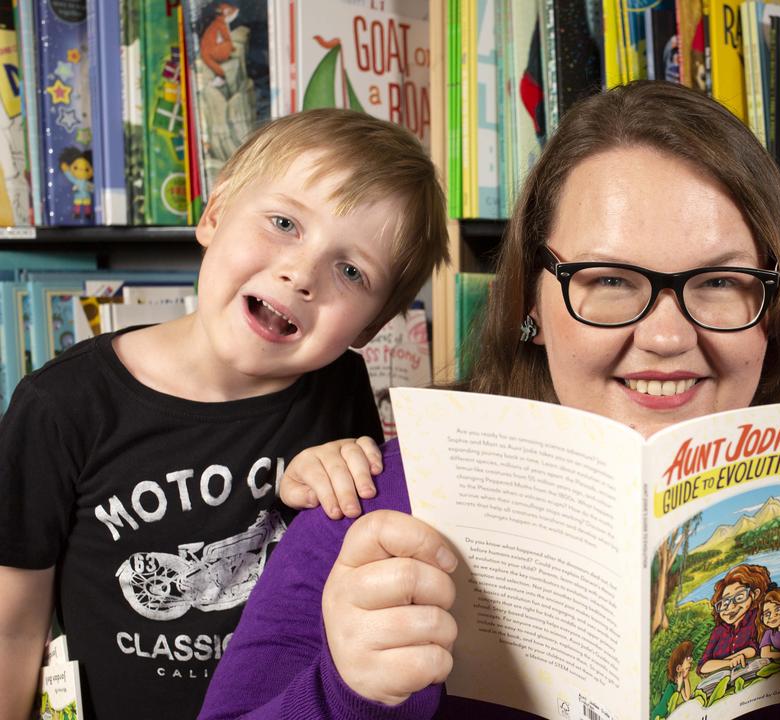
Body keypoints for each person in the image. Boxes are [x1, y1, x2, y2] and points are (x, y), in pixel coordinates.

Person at [198, 80, 780, 719]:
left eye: (718, 283)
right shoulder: (377, 503)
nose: (669, 336)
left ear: (774, 302)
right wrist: (344, 696)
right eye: (609, 281)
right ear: (533, 300)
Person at [0, 108, 448, 720]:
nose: (302, 273)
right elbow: (13, 630)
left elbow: (350, 563)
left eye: (350, 270)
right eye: (284, 222)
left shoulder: (340, 387)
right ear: (213, 215)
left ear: (367, 328)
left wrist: (327, 481)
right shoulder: (61, 405)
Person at [697, 564, 772, 675]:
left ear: (754, 594)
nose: (731, 606)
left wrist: (720, 663)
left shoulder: (757, 617)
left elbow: (754, 649)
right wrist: (730, 662)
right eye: (725, 602)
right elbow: (702, 666)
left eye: (739, 597)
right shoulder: (719, 630)